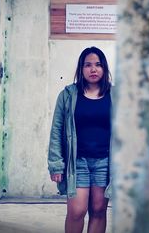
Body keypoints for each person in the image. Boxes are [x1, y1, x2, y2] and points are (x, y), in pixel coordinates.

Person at [48, 46, 112, 233]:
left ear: (104, 68)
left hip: (105, 162)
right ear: (81, 69)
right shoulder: (68, 95)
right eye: (88, 65)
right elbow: (57, 130)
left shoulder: (115, 96)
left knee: (99, 210)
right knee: (77, 211)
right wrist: (56, 164)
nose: (93, 69)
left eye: (98, 65)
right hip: (77, 163)